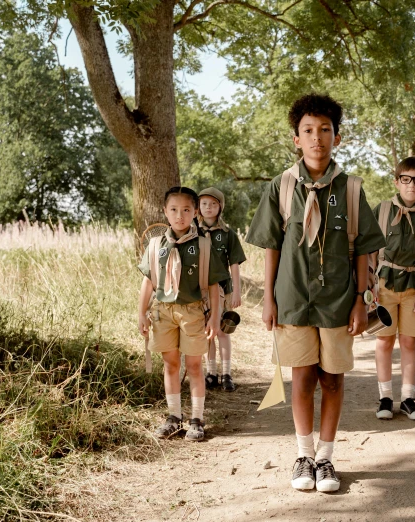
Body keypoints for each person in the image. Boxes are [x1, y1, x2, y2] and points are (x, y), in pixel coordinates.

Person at [246, 93, 386, 492]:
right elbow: (272, 245)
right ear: (296, 139)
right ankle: (303, 456)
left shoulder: (353, 189)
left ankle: (326, 459)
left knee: (334, 379)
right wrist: (268, 298)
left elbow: (361, 248)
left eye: (325, 130)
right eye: (308, 130)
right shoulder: (281, 186)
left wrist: (360, 300)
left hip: (339, 300)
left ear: (337, 138)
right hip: (292, 297)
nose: (317, 138)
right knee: (302, 377)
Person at [137, 186, 228, 441]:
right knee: (170, 364)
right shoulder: (156, 245)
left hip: (193, 312)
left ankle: (197, 419)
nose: (180, 216)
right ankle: (174, 417)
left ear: (195, 212)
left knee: (195, 365)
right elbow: (148, 282)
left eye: (186, 210)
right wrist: (141, 313)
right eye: (174, 210)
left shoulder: (203, 245)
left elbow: (212, 285)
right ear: (165, 212)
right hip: (163, 311)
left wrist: (214, 317)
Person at [370, 157, 415, 421]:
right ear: (397, 182)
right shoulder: (381, 210)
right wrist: (368, 290)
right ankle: (386, 398)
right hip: (383, 287)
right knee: (384, 341)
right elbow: (368, 253)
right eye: (406, 179)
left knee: (409, 342)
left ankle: (409, 398)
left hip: (414, 287)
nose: (411, 186)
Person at [198, 187, 247, 392]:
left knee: (223, 332)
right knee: (208, 332)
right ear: (198, 208)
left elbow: (234, 264)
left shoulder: (228, 234)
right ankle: (211, 374)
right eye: (204, 204)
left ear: (220, 207)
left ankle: (227, 373)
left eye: (213, 204)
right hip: (201, 291)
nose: (209, 208)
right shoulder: (193, 232)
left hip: (223, 289)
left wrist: (236, 291)